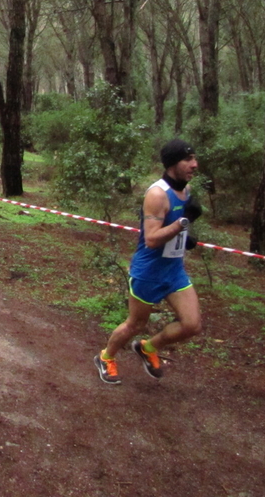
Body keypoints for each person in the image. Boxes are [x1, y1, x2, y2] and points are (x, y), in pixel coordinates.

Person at [95, 139, 203, 384]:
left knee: (192, 325)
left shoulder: (185, 190)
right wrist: (183, 223)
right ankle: (105, 357)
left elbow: (173, 226)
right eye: (188, 160)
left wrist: (184, 238)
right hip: (149, 271)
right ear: (172, 163)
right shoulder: (157, 194)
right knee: (136, 323)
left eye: (195, 159)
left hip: (174, 270)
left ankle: (148, 348)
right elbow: (152, 239)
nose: (194, 165)